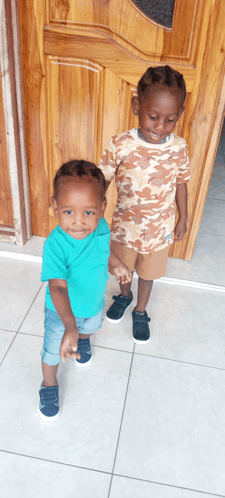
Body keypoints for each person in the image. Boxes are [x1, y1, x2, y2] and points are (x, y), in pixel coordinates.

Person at [98, 65, 190, 345]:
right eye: (153, 117)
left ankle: (140, 310)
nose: (160, 127)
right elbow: (101, 182)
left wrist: (183, 217)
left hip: (159, 230)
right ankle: (125, 296)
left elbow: (181, 183)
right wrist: (92, 214)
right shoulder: (120, 144)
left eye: (170, 120)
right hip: (124, 229)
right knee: (123, 269)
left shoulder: (179, 148)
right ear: (137, 106)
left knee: (148, 274)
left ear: (179, 115)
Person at [39, 160, 132, 421]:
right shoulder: (55, 245)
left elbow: (105, 251)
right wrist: (69, 325)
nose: (79, 222)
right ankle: (49, 385)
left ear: (102, 209)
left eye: (88, 213)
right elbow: (57, 286)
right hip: (61, 314)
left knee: (90, 328)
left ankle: (83, 339)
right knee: (51, 351)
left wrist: (117, 264)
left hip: (92, 303)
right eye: (68, 212)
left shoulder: (101, 227)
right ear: (55, 205)